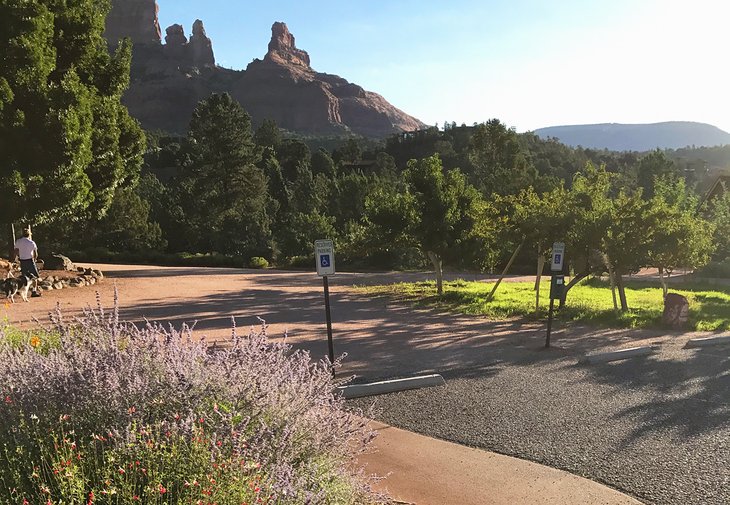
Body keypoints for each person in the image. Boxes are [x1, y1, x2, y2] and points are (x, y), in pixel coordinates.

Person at [13, 228, 41, 297]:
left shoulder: (18, 242)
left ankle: (20, 290)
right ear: (29, 234)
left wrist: (15, 260)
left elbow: (16, 252)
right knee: (34, 276)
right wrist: (34, 260)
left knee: (24, 276)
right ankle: (34, 291)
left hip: (22, 260)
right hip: (30, 260)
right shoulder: (31, 243)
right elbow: (35, 254)